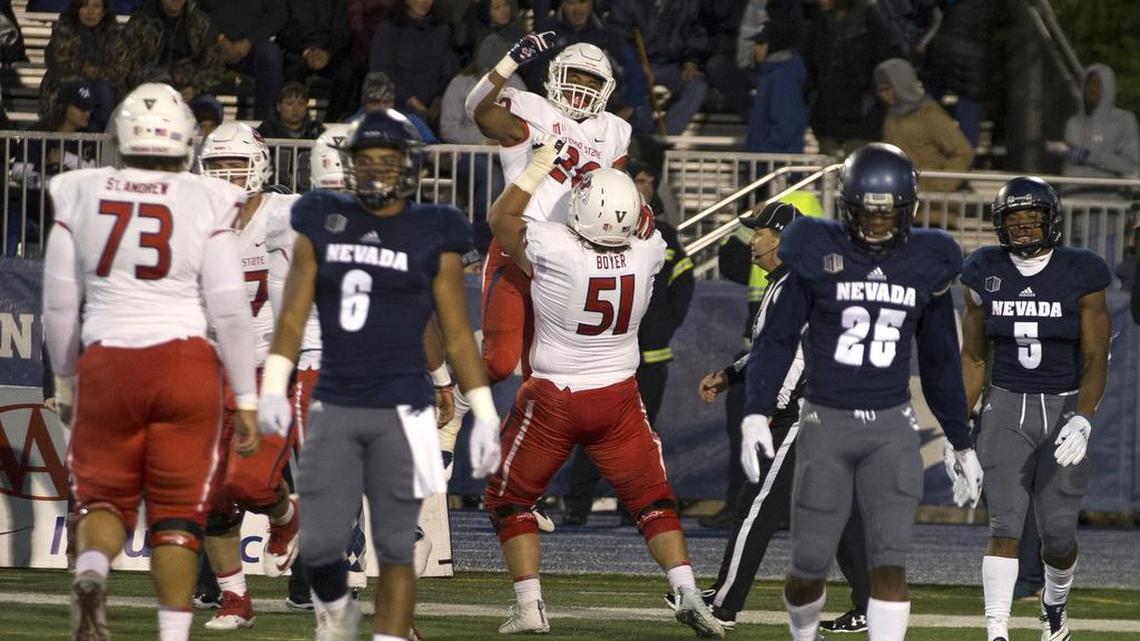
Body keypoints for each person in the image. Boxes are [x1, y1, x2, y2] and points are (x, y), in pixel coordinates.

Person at [258, 109, 501, 641]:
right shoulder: (320, 218)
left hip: (403, 402)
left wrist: (483, 411)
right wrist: (274, 384)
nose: (375, 170)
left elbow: (456, 332)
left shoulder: (433, 228)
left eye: (386, 160)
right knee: (321, 544)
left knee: (396, 545)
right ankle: (340, 610)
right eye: (365, 160)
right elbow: (293, 315)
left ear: (407, 164)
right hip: (336, 396)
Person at [42, 82, 257, 641]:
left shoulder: (80, 190)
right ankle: (173, 635)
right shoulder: (206, 198)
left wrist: (66, 378)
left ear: (121, 136)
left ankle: (92, 571)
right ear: (185, 139)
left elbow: (59, 306)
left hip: (109, 359)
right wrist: (247, 396)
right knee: (177, 514)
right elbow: (230, 309)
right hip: (184, 361)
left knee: (105, 501)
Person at [483, 139, 722, 638]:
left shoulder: (554, 247)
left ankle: (530, 605)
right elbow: (644, 221)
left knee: (509, 499)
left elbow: (501, 219)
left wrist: (538, 169)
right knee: (652, 500)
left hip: (555, 396)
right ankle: (687, 590)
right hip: (618, 396)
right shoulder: (649, 251)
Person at [742, 142, 981, 641]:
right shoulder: (815, 246)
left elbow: (939, 360)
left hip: (892, 428)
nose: (877, 224)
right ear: (848, 207)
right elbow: (777, 339)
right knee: (808, 567)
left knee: (889, 564)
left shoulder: (928, 259)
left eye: (887, 213)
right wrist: (755, 411)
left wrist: (961, 440)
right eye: (868, 213)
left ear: (908, 208)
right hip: (826, 421)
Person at [663, 201, 871, 634]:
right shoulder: (787, 282)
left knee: (755, 507)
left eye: (760, 233)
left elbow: (796, 357)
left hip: (805, 412)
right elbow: (770, 350)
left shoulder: (798, 285)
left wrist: (773, 408)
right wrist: (731, 374)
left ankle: (723, 604)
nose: (751, 240)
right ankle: (873, 602)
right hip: (817, 410)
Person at [959, 176, 1111, 641]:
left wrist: (1084, 417)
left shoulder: (1082, 270)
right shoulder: (983, 268)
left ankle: (1054, 604)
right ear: (1000, 225)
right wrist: (957, 430)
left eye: (1033, 219)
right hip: (1006, 406)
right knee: (1004, 523)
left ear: (1052, 221)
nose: (1024, 228)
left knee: (1059, 537)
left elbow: (1095, 357)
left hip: (1063, 407)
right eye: (1015, 220)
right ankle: (997, 630)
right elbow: (974, 357)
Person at [194, 122, 302, 630]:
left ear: (258, 165)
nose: (225, 175)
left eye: (234, 164)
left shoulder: (287, 214)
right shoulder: (191, 221)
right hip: (212, 369)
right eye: (216, 166)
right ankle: (235, 598)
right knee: (213, 495)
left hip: (269, 367)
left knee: (252, 483)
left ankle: (285, 516)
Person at [562, 158, 694, 526]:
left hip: (649, 355)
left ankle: (633, 506)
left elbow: (683, 284)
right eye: (638, 180)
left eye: (650, 181)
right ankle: (577, 503)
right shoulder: (589, 228)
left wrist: (662, 328)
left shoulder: (661, 234)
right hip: (604, 353)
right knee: (593, 429)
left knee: (638, 436)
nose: (644, 188)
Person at [874, 57, 972, 192]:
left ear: (902, 85)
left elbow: (963, 151)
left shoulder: (930, 116)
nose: (884, 95)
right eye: (880, 90)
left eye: (888, 89)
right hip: (900, 196)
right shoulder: (890, 118)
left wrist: (940, 186)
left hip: (929, 200)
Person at [1048, 64, 1140, 197]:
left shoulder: (1124, 121)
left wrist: (1086, 156)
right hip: (1076, 199)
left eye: (1098, 85)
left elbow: (1130, 165)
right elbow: (1071, 171)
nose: (1092, 90)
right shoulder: (1074, 123)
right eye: (1089, 84)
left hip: (1111, 202)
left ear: (1108, 88)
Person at [122, 0, 224, 102]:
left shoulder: (201, 23)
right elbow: (127, 67)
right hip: (147, 95)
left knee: (208, 105)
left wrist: (195, 89)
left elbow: (214, 69)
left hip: (191, 96)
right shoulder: (141, 21)